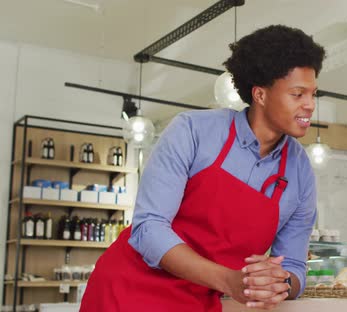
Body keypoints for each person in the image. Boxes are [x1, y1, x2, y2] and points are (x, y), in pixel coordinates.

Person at [81, 25, 325, 311]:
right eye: (298, 94)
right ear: (260, 95)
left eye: (313, 94)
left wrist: (278, 283)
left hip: (204, 302)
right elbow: (148, 229)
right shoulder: (193, 131)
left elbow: (294, 265)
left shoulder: (300, 172)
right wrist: (230, 280)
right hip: (129, 292)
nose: (310, 105)